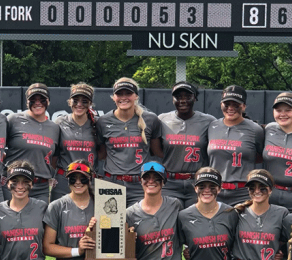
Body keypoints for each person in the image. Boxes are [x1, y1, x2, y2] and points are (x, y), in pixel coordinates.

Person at [96, 78, 164, 207]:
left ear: (136, 96)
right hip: (112, 182)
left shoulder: (150, 120)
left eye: (128, 93)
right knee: (110, 226)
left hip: (140, 183)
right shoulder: (103, 121)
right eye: (119, 94)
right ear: (113, 97)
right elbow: (102, 154)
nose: (124, 97)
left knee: (140, 225)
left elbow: (157, 152)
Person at [158, 82, 215, 207]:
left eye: (187, 96)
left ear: (195, 98)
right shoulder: (162, 119)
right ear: (173, 99)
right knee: (169, 222)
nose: (182, 100)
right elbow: (155, 149)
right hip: (170, 182)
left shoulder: (209, 121)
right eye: (178, 97)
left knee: (195, 222)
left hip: (197, 181)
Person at [207, 85, 265, 206]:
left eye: (235, 104)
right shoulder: (212, 126)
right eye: (227, 104)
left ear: (243, 106)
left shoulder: (255, 130)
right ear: (221, 104)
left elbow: (261, 156)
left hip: (243, 191)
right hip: (215, 189)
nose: (230, 108)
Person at [5, 83, 60, 204]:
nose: (37, 103)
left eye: (42, 99)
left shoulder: (55, 128)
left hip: (40, 188)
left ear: (48, 101)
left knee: (38, 222)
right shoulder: (13, 120)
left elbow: (55, 158)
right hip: (16, 184)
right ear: (27, 102)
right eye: (33, 100)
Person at [52, 84, 99, 201]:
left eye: (84, 101)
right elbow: (54, 154)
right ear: (69, 102)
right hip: (64, 180)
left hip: (87, 180)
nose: (79, 104)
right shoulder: (60, 122)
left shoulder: (98, 124)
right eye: (75, 100)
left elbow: (103, 154)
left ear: (90, 104)